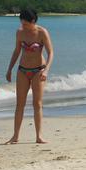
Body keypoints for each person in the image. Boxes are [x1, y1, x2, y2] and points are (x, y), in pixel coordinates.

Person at [5, 8, 54, 144]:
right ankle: (15, 136)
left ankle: (39, 136)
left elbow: (51, 53)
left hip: (39, 70)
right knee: (19, 104)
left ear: (33, 21)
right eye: (22, 22)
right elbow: (16, 51)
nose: (23, 25)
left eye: (26, 23)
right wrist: (9, 69)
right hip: (22, 70)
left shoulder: (42, 32)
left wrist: (46, 71)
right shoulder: (20, 32)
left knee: (37, 103)